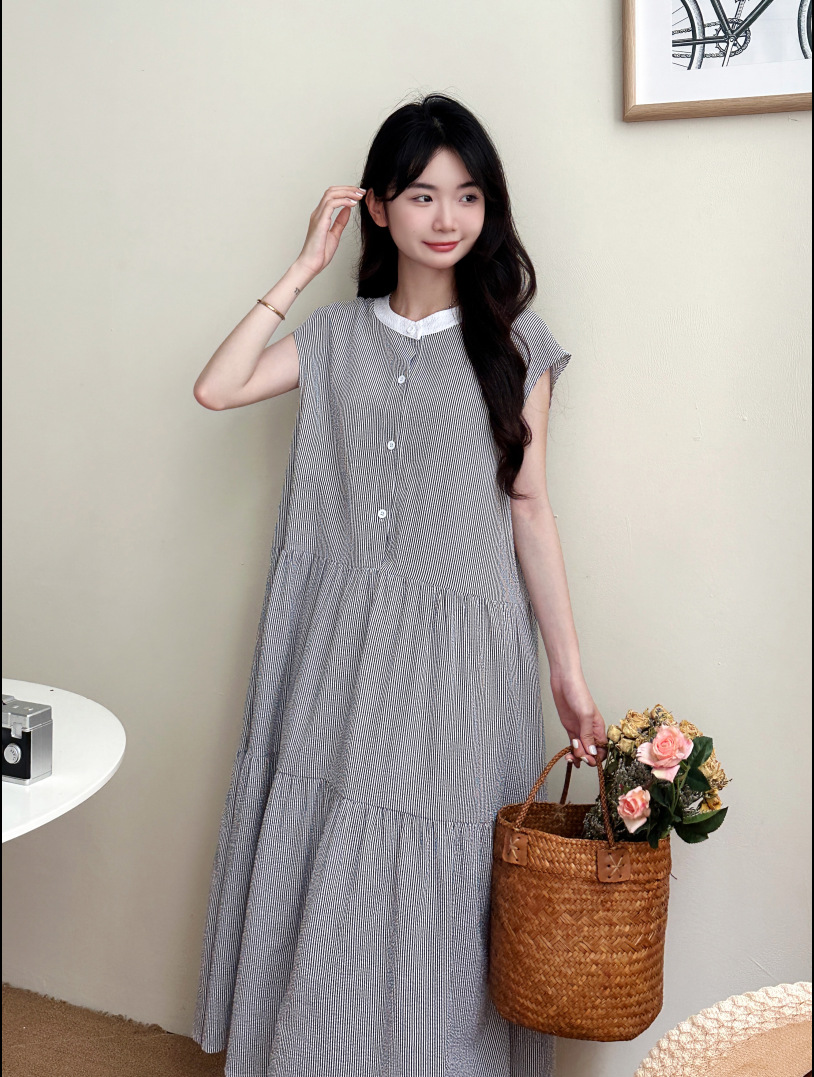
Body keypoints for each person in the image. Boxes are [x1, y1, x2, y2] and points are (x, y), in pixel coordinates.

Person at [191, 91, 607, 1077]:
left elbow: (530, 508)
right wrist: (302, 268)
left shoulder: (518, 343)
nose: (447, 217)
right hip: (339, 646)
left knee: (445, 869)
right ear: (378, 207)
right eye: (421, 194)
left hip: (461, 658)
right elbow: (218, 386)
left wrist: (567, 671)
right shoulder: (336, 336)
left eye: (467, 194)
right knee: (332, 850)